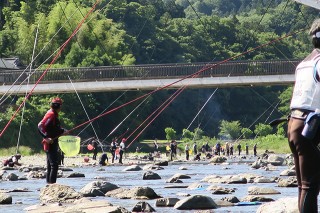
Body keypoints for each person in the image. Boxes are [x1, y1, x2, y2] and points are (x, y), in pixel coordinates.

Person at [287, 18, 320, 213]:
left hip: (294, 126)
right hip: (308, 129)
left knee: (304, 187)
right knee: (310, 186)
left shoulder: (304, 63)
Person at [38, 97, 66, 184]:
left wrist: (63, 131)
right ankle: (52, 186)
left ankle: (49, 185)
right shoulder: (51, 114)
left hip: (52, 142)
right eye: (60, 106)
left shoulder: (53, 114)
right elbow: (40, 126)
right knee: (54, 165)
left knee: (50, 165)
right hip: (49, 143)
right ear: (59, 107)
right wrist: (46, 137)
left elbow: (53, 128)